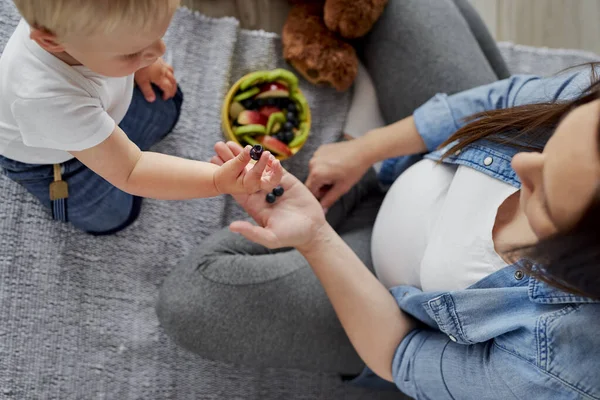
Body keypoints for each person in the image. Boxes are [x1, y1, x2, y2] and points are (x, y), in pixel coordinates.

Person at [156, 0, 600, 398]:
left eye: (543, 198)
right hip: (421, 164)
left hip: (379, 292)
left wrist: (315, 237)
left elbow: (404, 355)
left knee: (194, 304)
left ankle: (335, 216)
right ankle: (363, 181)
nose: (522, 164)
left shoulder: (555, 369)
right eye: (556, 140)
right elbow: (504, 101)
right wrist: (366, 150)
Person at [0, 0, 283, 235]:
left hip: (98, 109)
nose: (160, 52)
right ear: (51, 41)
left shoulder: (80, 30)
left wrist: (139, 64)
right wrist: (216, 181)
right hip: (55, 162)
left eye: (157, 38)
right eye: (132, 52)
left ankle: (114, 133)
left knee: (166, 103)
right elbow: (131, 170)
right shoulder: (45, 99)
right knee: (111, 216)